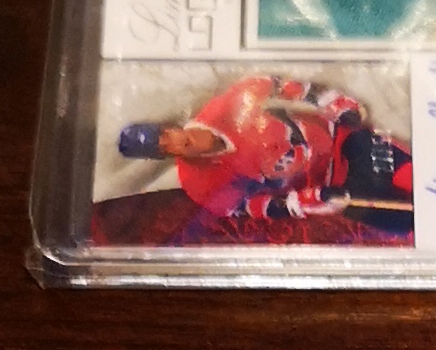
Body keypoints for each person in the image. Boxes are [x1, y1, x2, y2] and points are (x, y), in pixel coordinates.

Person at [110, 77, 414, 240]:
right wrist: (305, 201)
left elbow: (293, 88)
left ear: (168, 125)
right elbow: (255, 206)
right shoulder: (198, 184)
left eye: (165, 134)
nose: (176, 142)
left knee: (419, 177)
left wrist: (336, 104)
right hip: (336, 187)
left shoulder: (229, 104)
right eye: (163, 148)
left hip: (345, 141)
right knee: (407, 222)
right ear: (162, 157)